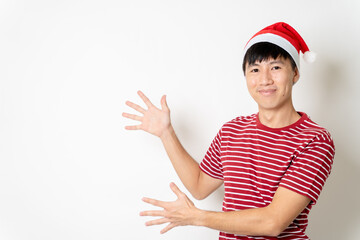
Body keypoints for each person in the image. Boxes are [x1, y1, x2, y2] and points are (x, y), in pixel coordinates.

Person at [122, 22, 335, 239]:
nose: (264, 79)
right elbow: (199, 186)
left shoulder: (314, 140)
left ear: (295, 73)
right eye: (255, 69)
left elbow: (273, 222)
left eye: (275, 67)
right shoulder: (232, 131)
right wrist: (166, 133)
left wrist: (196, 217)